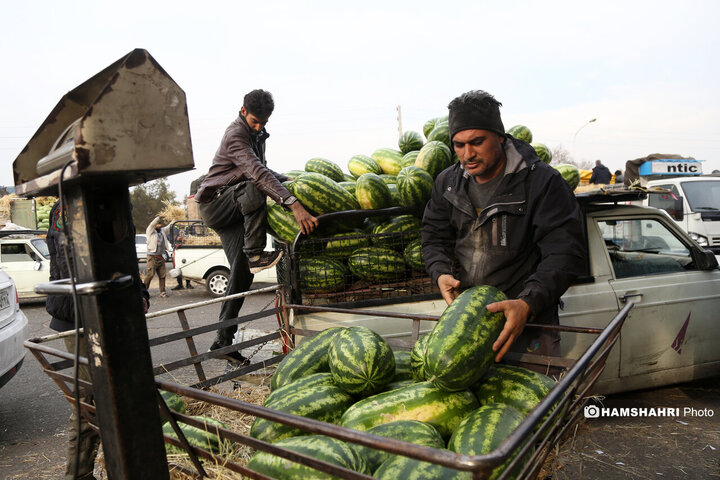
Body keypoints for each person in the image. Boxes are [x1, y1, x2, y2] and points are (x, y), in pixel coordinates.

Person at [422, 90, 586, 362]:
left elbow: (565, 253)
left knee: (535, 403)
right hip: (470, 326)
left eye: (477, 142)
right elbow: (433, 237)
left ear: (500, 136)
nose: (467, 154)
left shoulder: (542, 182)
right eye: (459, 145)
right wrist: (440, 272)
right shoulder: (448, 183)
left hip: (529, 324)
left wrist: (528, 303)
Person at [194, 89, 318, 363]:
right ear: (242, 111)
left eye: (264, 121)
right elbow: (256, 174)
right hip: (217, 204)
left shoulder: (256, 134)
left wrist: (293, 180)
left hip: (234, 205)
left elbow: (264, 169)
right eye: (254, 121)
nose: (259, 126)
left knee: (241, 275)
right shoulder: (235, 135)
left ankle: (222, 343)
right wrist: (293, 204)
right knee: (254, 186)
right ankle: (255, 253)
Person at [46, 200, 150, 480]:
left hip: (95, 311)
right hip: (84, 316)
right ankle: (78, 474)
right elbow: (91, 259)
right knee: (90, 400)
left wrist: (139, 293)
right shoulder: (84, 201)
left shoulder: (86, 199)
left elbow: (119, 253)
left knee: (113, 395)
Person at [144, 216, 170, 297]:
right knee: (150, 275)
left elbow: (169, 227)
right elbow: (152, 224)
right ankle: (143, 292)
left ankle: (162, 292)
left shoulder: (162, 231)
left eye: (160, 224)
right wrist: (159, 218)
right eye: (158, 224)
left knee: (162, 275)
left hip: (160, 257)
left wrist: (175, 219)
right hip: (152, 257)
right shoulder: (150, 231)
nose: (160, 225)